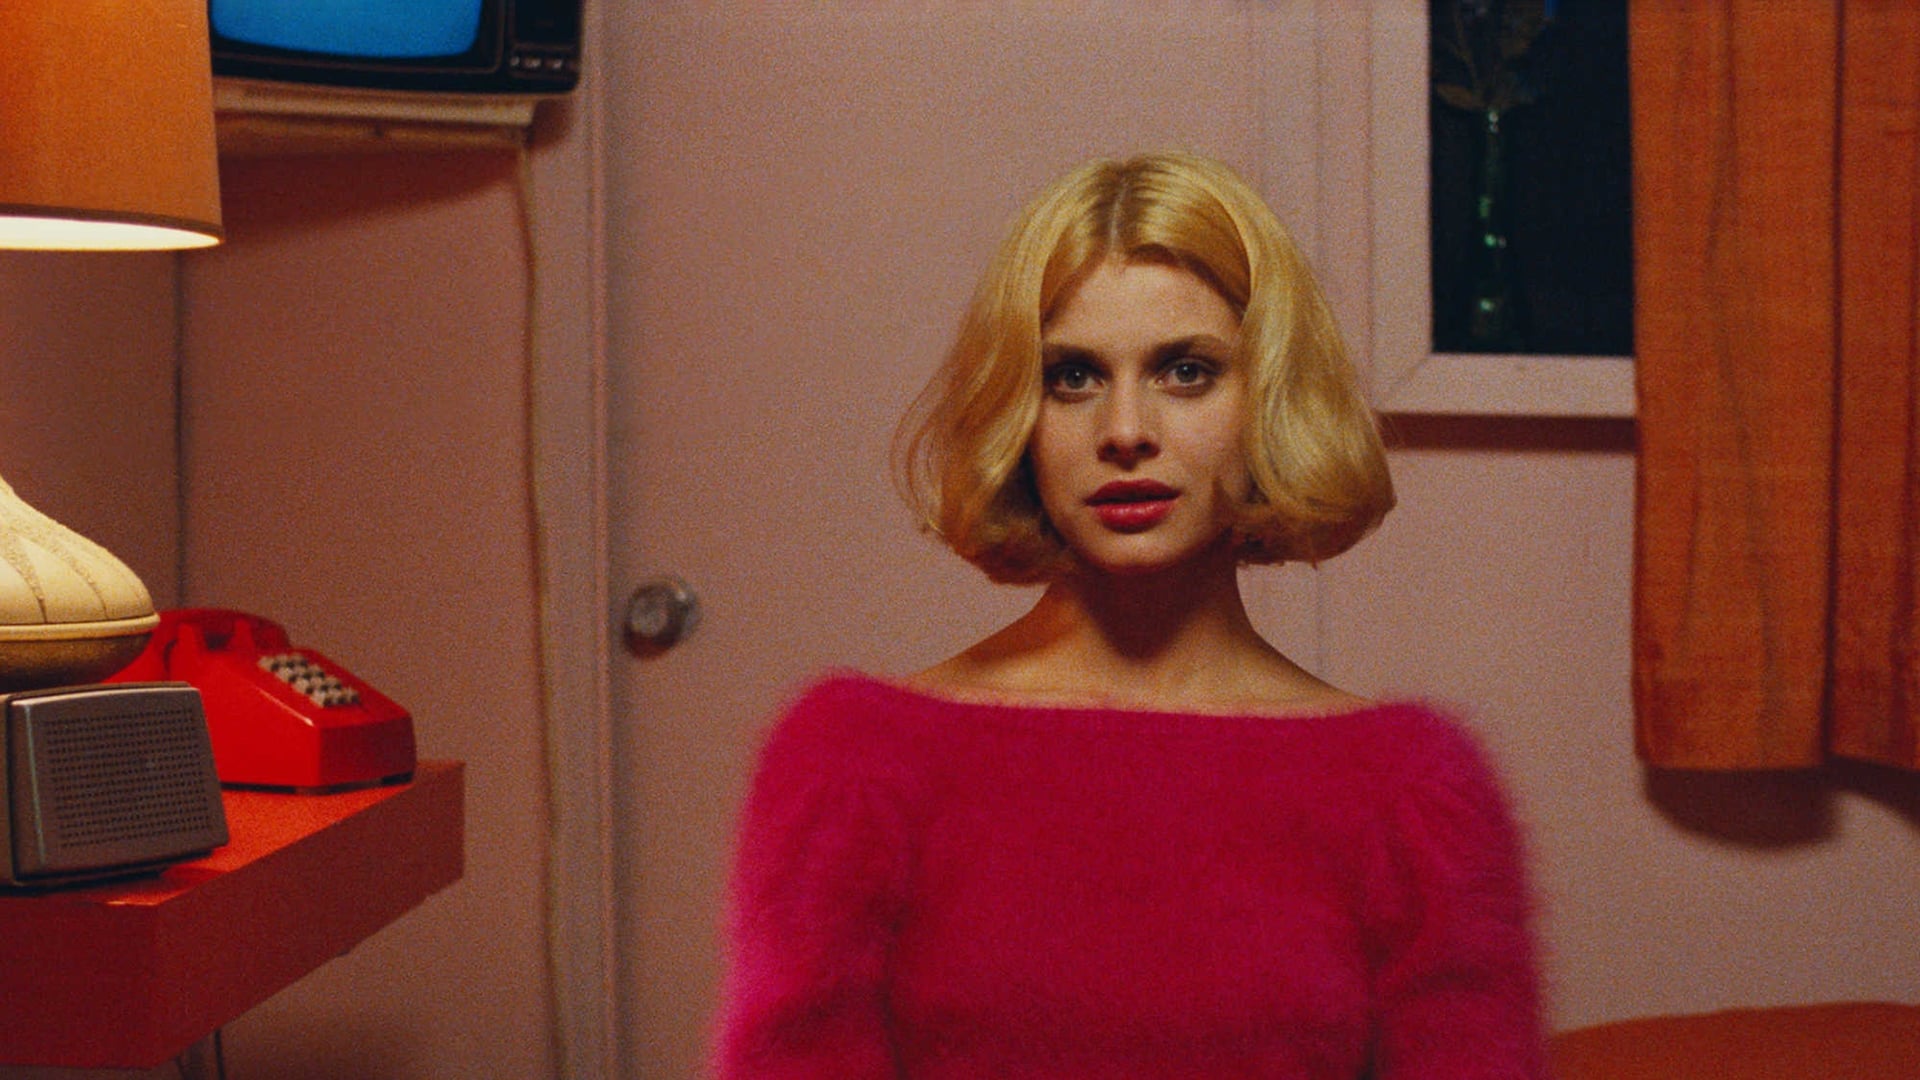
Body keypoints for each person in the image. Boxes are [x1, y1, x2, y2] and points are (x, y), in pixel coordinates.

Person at [712, 151, 1545, 1078]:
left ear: (1269, 399)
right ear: (1017, 414)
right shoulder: (857, 766)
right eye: (1072, 377)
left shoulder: (1408, 794)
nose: (1124, 431)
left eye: (1186, 371)